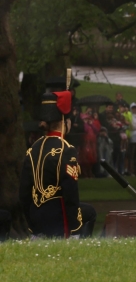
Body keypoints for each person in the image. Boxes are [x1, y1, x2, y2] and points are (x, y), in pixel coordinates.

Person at [19, 92, 96, 237]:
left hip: (36, 219)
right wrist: (74, 230)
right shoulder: (66, 149)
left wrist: (32, 226)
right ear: (64, 121)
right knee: (90, 212)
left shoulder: (33, 148)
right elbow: (71, 193)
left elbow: (24, 193)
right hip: (60, 219)